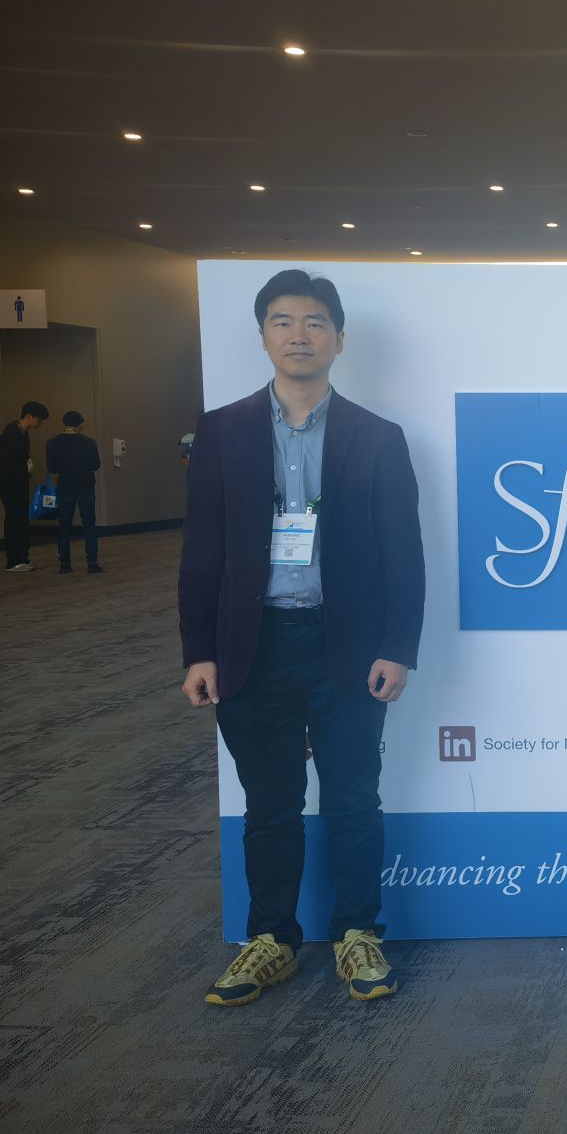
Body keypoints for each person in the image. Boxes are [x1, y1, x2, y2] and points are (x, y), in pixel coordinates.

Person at [178, 269, 425, 1007]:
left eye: (315, 322)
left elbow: (403, 552)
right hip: (251, 647)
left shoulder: (377, 437)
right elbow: (202, 550)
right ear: (263, 336)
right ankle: (272, 939)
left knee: (353, 799)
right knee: (270, 805)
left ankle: (358, 933)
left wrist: (398, 646)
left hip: (345, 646)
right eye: (282, 321)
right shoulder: (221, 432)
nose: (299, 334)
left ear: (338, 339)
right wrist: (199, 650)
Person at [46, 410, 102, 574]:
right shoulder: (89, 442)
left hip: (65, 486)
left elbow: (52, 468)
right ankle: (92, 562)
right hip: (85, 486)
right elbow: (96, 465)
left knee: (64, 525)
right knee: (89, 524)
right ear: (80, 424)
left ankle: (64, 563)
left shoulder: (53, 443)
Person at [0, 400, 49, 572]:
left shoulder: (21, 432)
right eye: (38, 419)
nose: (39, 423)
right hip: (11, 484)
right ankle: (14, 560)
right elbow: (8, 463)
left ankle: (22, 558)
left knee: (20, 519)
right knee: (14, 519)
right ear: (29, 416)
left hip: (18, 482)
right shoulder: (12, 433)